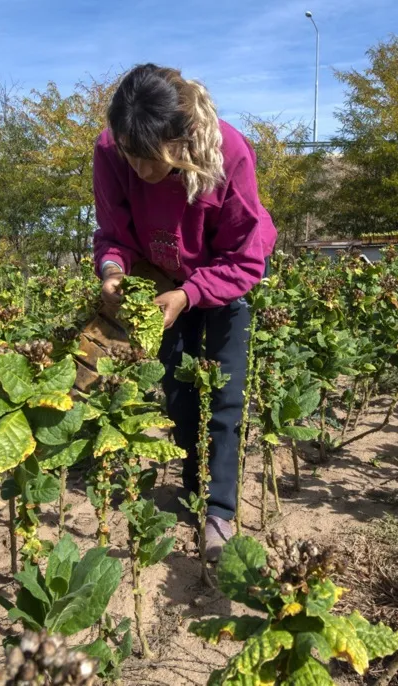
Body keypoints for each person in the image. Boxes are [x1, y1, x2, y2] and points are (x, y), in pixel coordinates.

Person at [92, 64, 277, 561]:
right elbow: (112, 232)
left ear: (181, 142)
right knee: (177, 392)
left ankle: (218, 511)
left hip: (223, 274)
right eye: (128, 153)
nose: (136, 167)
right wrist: (113, 270)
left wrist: (190, 294)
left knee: (223, 396)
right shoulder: (111, 149)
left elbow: (244, 259)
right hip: (161, 275)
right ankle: (195, 487)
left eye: (147, 157)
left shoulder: (227, 153)